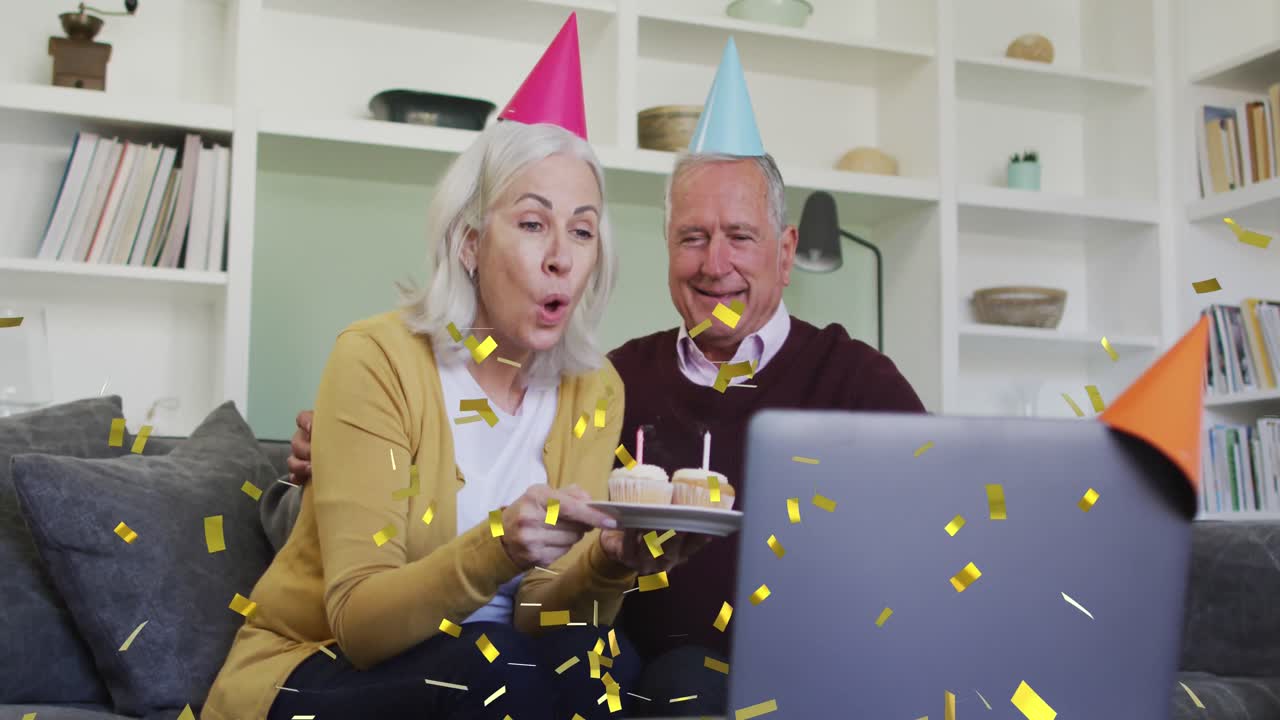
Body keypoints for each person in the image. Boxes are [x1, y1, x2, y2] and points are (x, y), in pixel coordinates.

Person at [269, 36, 926, 716]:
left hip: (789, 664)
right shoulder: (615, 377)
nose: (715, 263)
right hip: (526, 668)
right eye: (693, 238)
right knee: (577, 678)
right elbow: (421, 582)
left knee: (571, 677)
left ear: (786, 252)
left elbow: (946, 520)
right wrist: (344, 457)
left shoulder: (845, 381)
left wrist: (608, 559)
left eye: (741, 236)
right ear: (469, 241)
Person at [204, 16, 707, 720]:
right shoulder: (376, 359)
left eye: (583, 230)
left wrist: (612, 560)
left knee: (604, 671)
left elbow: (543, 614)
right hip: (320, 668)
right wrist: (501, 543)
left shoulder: (594, 390)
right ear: (470, 244)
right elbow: (358, 621)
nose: (562, 254)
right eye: (533, 224)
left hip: (507, 671)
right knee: (507, 674)